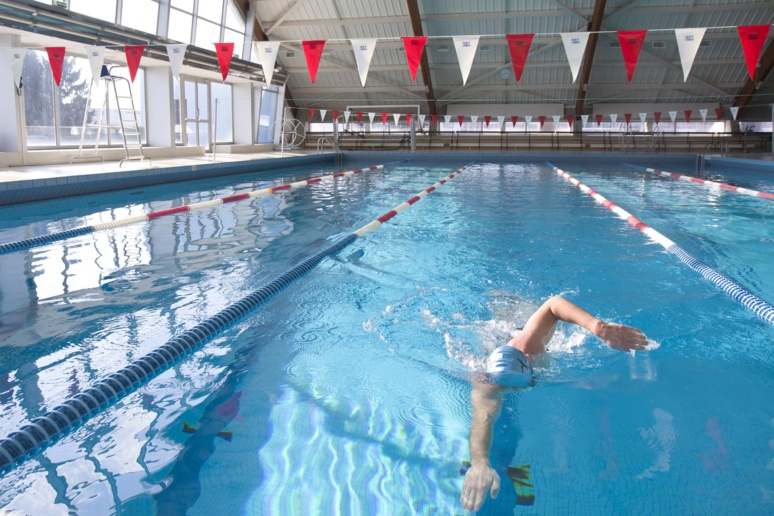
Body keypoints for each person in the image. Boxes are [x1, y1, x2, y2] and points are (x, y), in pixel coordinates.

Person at [460, 295, 648, 512]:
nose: (511, 391)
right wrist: (480, 462)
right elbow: (481, 420)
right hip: (496, 358)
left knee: (518, 316)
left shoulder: (529, 347)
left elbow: (553, 304)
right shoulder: (486, 384)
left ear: (529, 364)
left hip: (518, 333)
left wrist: (599, 328)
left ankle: (505, 303)